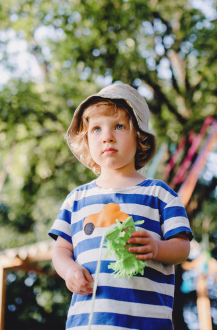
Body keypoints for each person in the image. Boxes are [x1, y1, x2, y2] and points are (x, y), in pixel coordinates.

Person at [49, 83, 193, 329]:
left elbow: (182, 248)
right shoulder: (76, 199)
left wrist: (157, 248)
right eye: (96, 129)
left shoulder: (159, 194)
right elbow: (61, 251)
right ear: (86, 140)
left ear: (139, 135)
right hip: (89, 322)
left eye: (118, 126)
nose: (107, 136)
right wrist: (70, 271)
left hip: (146, 323)